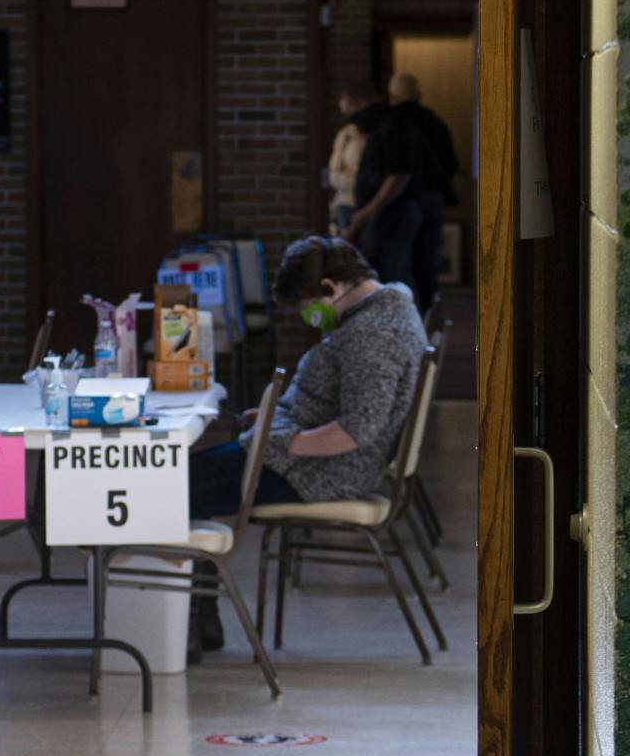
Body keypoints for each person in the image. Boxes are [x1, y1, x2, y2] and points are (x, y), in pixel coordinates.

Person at [187, 235, 428, 651]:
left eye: (307, 308)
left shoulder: (370, 336)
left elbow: (358, 429)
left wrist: (283, 443)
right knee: (190, 477)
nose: (309, 318)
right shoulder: (389, 309)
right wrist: (273, 421)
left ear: (330, 289)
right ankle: (200, 617)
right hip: (305, 458)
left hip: (317, 472)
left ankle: (191, 622)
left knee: (176, 485)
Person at [387, 71, 459, 315]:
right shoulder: (435, 123)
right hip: (433, 198)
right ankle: (431, 321)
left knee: (399, 264)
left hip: (403, 199)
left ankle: (406, 324)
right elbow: (450, 163)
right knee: (427, 266)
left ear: (393, 95)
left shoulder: (392, 123)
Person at [344, 98, 424, 296]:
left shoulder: (391, 127)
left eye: (351, 113)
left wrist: (369, 211)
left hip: (394, 213)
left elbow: (399, 175)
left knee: (389, 276)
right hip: (384, 212)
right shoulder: (380, 128)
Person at [326, 86, 371, 234]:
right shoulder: (345, 135)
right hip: (345, 202)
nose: (344, 112)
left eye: (348, 107)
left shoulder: (375, 134)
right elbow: (334, 174)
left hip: (368, 203)